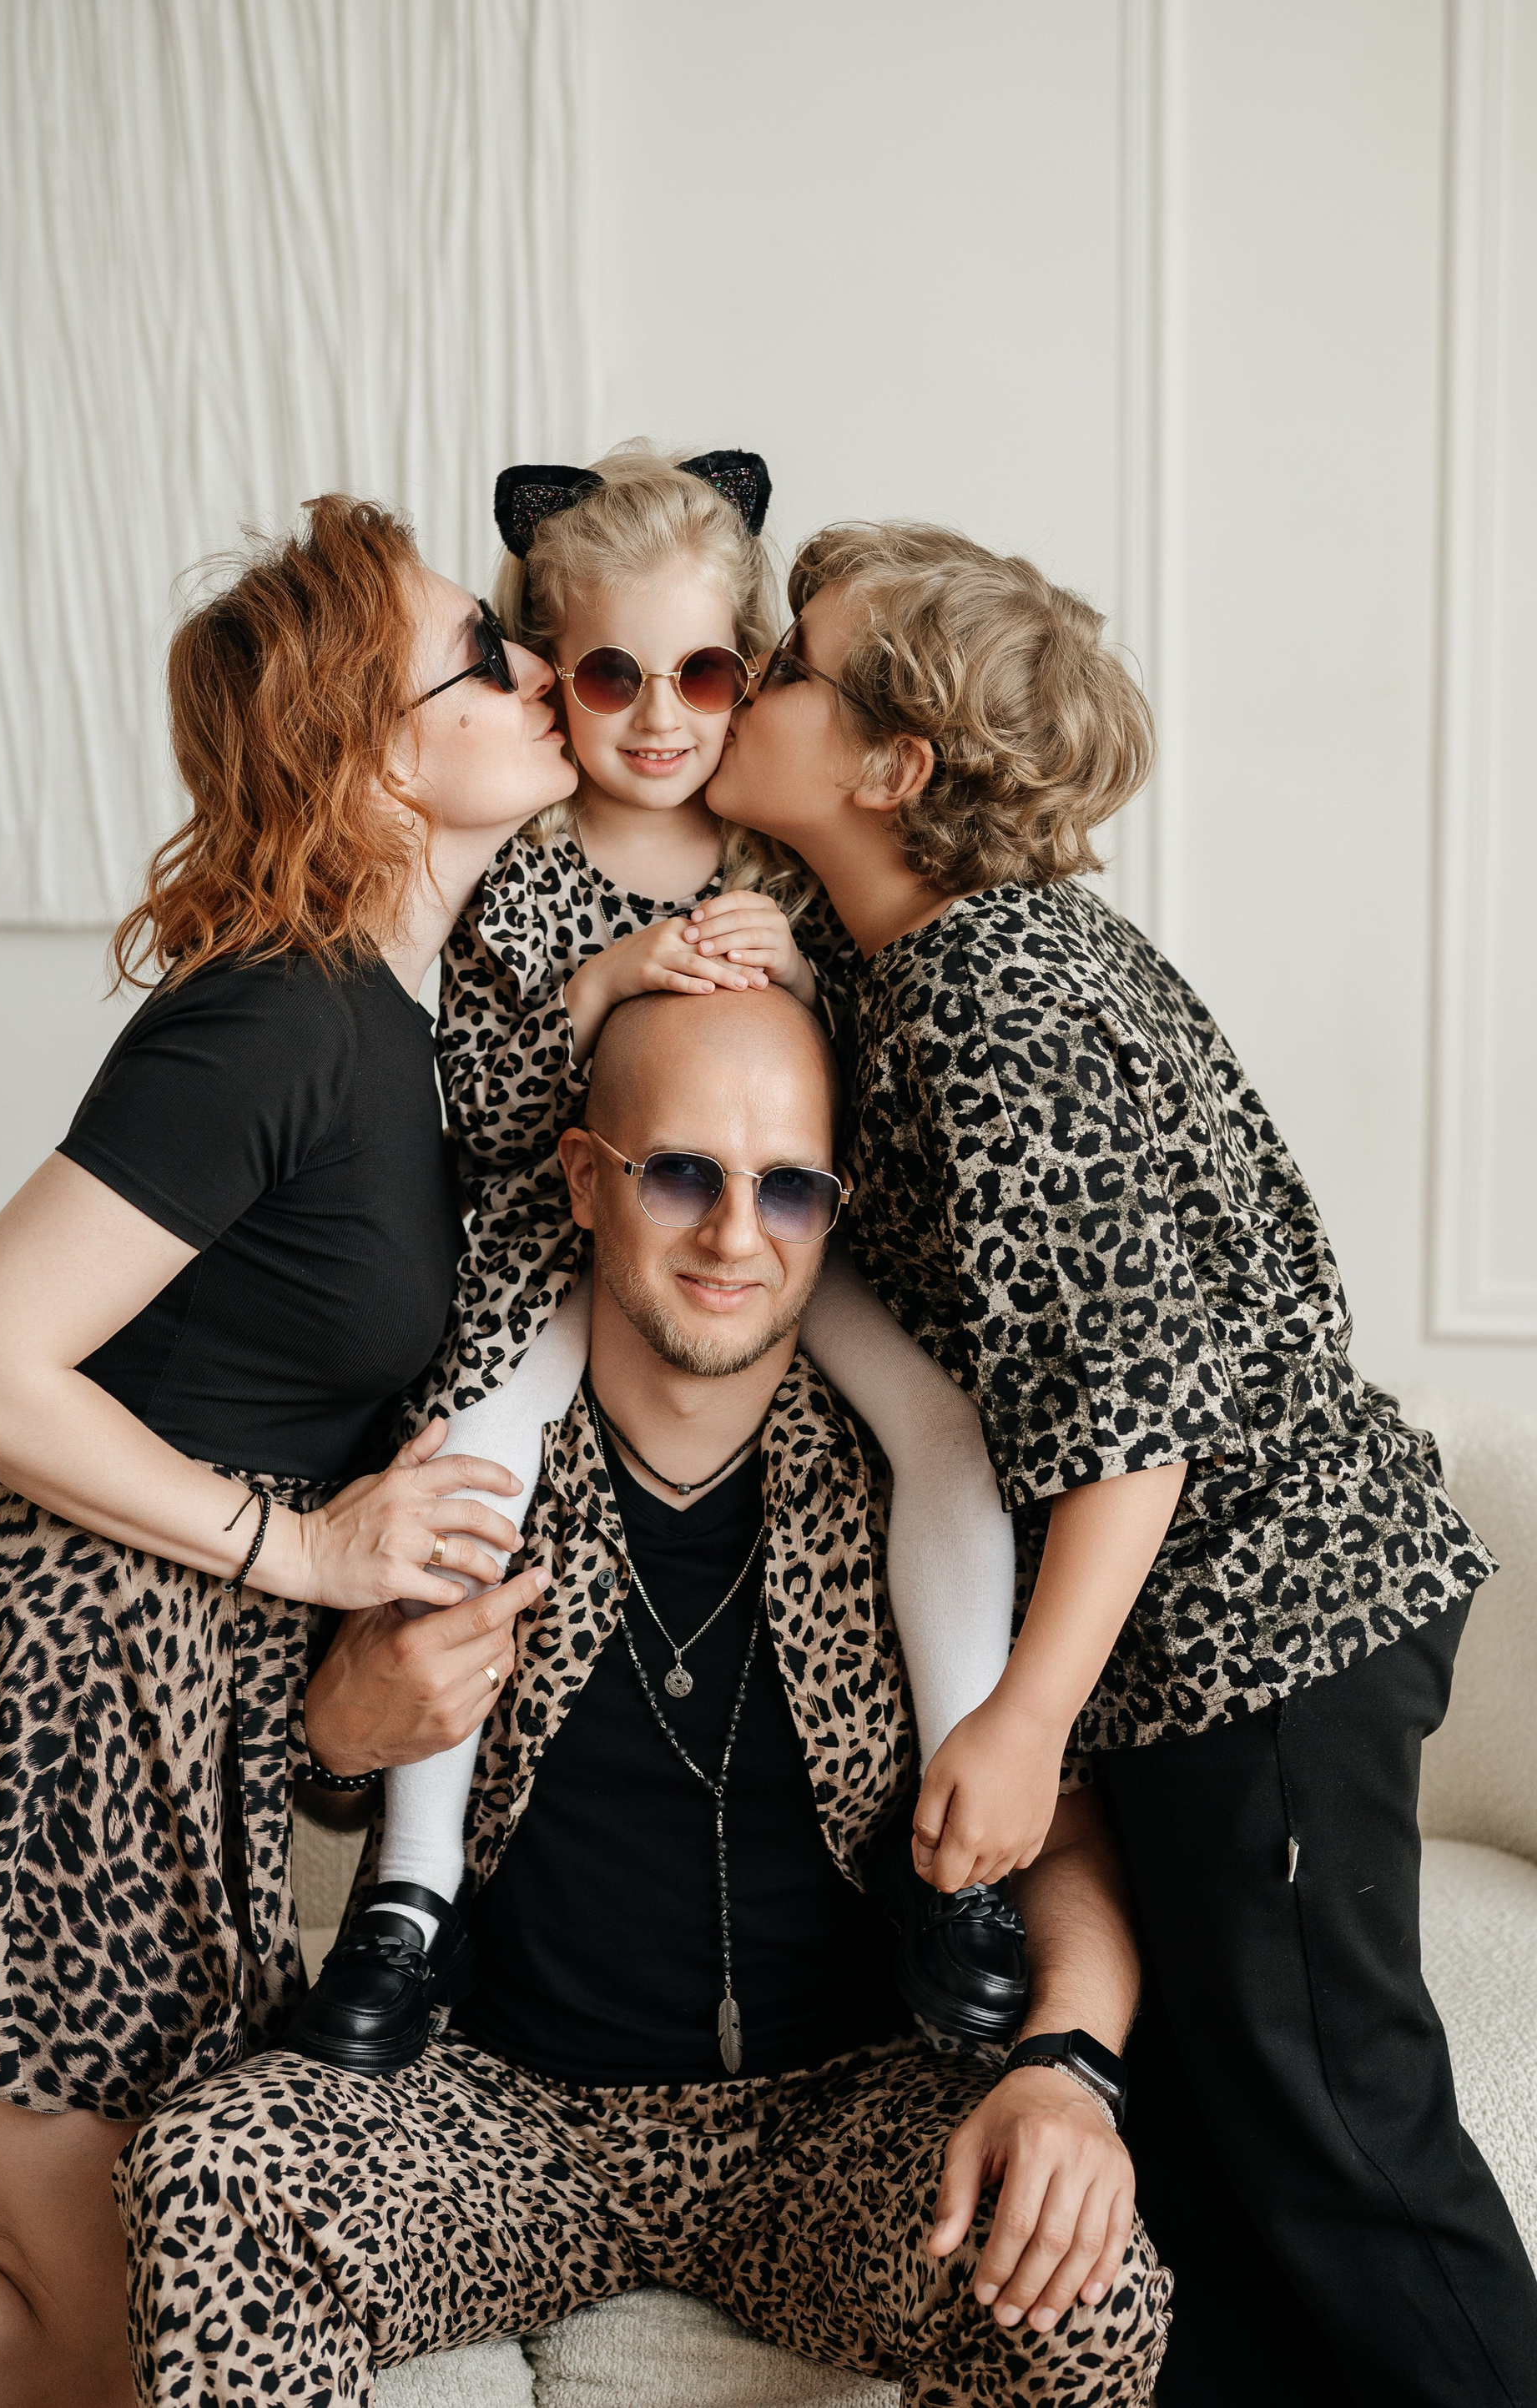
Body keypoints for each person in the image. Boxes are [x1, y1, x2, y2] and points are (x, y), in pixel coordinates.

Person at [704, 522, 1537, 2405]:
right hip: (1217, 1651)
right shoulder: (909, 967)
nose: (747, 680)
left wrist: (1023, 1721)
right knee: (1219, 2185)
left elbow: (1133, 1413)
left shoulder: (992, 995)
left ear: (893, 763)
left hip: (1268, 1636)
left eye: (789, 665)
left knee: (1342, 2152)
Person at [117, 984, 1172, 2408]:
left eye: (786, 1187)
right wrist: (336, 1732)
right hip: (501, 2109)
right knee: (204, 2173)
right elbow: (317, 1777)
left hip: (838, 2116)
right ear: (584, 1177)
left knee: (1089, 2286)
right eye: (681, 1173)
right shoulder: (448, 1461)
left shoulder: (928, 1502)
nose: (735, 1235)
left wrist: (1066, 2066)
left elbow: (1067, 1831)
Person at [0, 496, 567, 2408]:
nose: (542, 673)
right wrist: (303, 1557)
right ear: (377, 752)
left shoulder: (391, 1021)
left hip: (160, 1686)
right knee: (95, 2331)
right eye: (488, 655)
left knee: (100, 2310)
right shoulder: (277, 1016)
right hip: (73, 1681)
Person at [290, 447, 1021, 2069]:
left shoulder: (779, 861)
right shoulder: (522, 866)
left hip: (774, 1241)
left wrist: (804, 989)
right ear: (554, 670)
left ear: (748, 671)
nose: (660, 718)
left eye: (703, 673)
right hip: (563, 1251)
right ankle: (410, 1888)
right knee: (469, 1470)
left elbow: (876, 1095)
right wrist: (602, 987)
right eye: (613, 675)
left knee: (946, 1429)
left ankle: (964, 1861)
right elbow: (470, 1109)